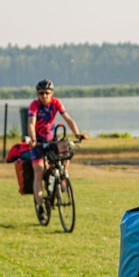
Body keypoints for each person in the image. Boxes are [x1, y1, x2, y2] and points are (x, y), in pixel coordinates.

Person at [27, 79, 88, 220]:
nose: (44, 96)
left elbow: (67, 118)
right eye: (41, 93)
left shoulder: (56, 103)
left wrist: (77, 133)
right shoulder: (34, 106)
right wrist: (33, 139)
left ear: (52, 93)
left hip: (51, 140)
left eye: (47, 93)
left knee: (66, 152)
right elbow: (31, 123)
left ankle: (63, 179)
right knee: (39, 171)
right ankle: (40, 206)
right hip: (38, 143)